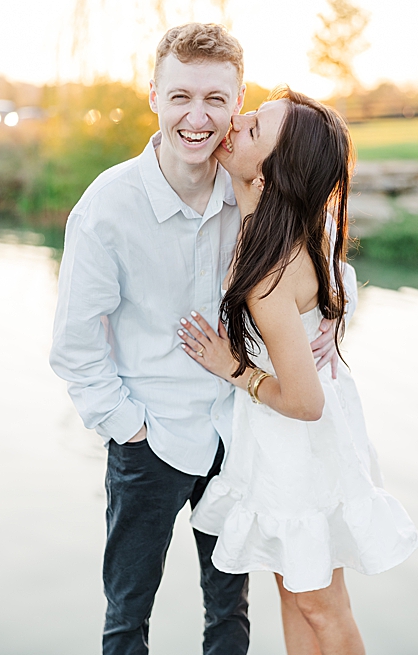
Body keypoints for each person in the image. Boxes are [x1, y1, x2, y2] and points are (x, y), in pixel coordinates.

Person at [49, 23, 354, 655]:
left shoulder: (258, 184)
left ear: (238, 100)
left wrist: (333, 309)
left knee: (229, 612)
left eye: (216, 99)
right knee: (127, 613)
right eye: (181, 95)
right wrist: (128, 427)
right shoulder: (107, 208)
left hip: (241, 434)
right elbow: (75, 348)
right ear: (153, 95)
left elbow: (328, 258)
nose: (198, 116)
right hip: (149, 437)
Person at [179, 88, 418, 655]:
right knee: (293, 589)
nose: (235, 124)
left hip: (298, 441)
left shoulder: (270, 270)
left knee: (318, 602)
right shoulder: (285, 219)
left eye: (253, 128)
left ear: (271, 175)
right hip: (290, 439)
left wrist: (233, 367)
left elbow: (304, 401)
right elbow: (341, 273)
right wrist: (333, 320)